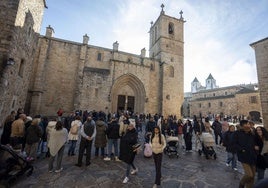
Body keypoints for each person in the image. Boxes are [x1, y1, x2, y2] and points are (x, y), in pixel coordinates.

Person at [233, 120, 257, 188]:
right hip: (244, 156)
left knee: (253, 177)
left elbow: (257, 141)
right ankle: (241, 183)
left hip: (253, 155)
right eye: (247, 124)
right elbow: (234, 143)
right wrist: (241, 149)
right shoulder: (237, 133)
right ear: (242, 126)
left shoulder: (252, 133)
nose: (249, 125)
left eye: (249, 124)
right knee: (249, 175)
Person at [119, 119, 138, 184]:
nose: (129, 127)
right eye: (129, 126)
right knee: (129, 161)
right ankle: (135, 169)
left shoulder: (135, 132)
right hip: (127, 149)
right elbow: (124, 139)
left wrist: (127, 140)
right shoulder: (127, 132)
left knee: (128, 163)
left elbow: (133, 141)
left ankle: (127, 177)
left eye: (130, 126)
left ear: (133, 126)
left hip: (132, 150)